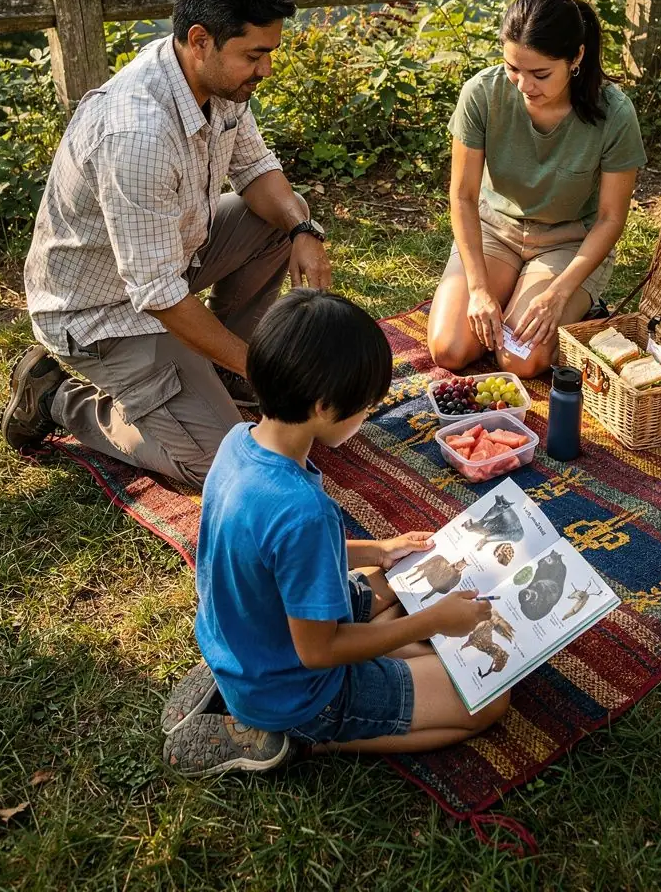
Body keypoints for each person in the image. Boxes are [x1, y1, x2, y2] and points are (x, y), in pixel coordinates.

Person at [1, 0, 332, 488]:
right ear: (200, 39)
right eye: (255, 55)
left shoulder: (212, 81)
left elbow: (255, 168)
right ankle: (59, 399)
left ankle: (222, 370)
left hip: (171, 256)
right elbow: (155, 293)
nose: (265, 70)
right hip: (101, 312)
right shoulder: (138, 133)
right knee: (220, 468)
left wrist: (303, 229)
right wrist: (266, 369)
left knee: (273, 221)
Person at [161, 288, 509, 774]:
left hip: (248, 644)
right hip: (299, 693)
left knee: (396, 581)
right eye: (366, 405)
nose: (367, 416)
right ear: (325, 406)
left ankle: (381, 648)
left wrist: (378, 549)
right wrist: (431, 623)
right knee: (489, 703)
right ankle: (307, 742)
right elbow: (319, 650)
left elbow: (274, 554)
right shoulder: (303, 509)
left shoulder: (238, 442)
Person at [428, 0, 646, 379]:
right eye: (513, 68)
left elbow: (611, 219)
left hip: (567, 242)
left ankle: (574, 302)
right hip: (496, 229)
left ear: (576, 57)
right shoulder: (482, 93)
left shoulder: (615, 113)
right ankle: (509, 289)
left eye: (540, 74)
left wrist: (559, 292)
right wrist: (478, 290)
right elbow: (462, 197)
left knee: (520, 360)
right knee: (450, 350)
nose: (523, 85)